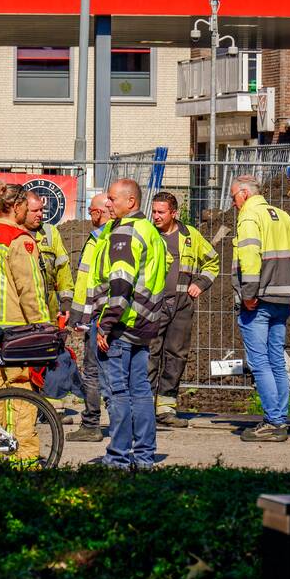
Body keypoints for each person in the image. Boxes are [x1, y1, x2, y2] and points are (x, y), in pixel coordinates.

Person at [230, 174, 290, 442]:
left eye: (233, 197)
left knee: (260, 363)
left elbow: (250, 257)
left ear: (244, 194)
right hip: (283, 300)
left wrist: (248, 295)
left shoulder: (249, 216)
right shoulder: (282, 215)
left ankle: (274, 422)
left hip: (259, 301)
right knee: (276, 361)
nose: (233, 203)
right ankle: (280, 418)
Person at [0, 184, 51, 460]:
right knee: (20, 391)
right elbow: (31, 290)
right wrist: (43, 326)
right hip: (13, 331)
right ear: (17, 208)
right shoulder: (20, 240)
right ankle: (25, 458)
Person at [92, 179, 167, 469]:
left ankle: (119, 458)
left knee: (118, 393)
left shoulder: (125, 232)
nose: (108, 204)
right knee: (141, 392)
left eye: (112, 199)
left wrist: (106, 325)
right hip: (145, 325)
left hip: (123, 325)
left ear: (130, 202)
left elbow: (121, 285)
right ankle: (145, 458)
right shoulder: (149, 230)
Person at [147, 191, 219, 428]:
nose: (156, 216)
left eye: (161, 212)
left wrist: (200, 284)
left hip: (181, 305)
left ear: (174, 213)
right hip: (152, 303)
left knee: (176, 354)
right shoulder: (147, 235)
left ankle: (166, 407)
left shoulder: (190, 235)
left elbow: (212, 261)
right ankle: (145, 405)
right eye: (154, 211)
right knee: (150, 354)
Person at [23, 191, 79, 417]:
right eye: (34, 211)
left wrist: (66, 300)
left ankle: (53, 407)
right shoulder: (15, 233)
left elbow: (63, 267)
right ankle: (27, 405)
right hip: (24, 308)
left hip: (49, 307)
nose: (40, 215)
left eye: (41, 211)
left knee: (51, 357)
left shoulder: (50, 232)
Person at [66, 192, 113, 442]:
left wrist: (91, 318)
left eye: (91, 212)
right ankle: (115, 424)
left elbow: (96, 284)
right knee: (107, 371)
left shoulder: (104, 239)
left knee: (94, 371)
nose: (89, 217)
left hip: (100, 316)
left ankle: (92, 424)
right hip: (100, 314)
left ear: (98, 213)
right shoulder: (104, 238)